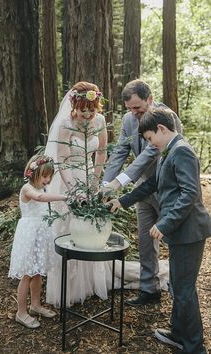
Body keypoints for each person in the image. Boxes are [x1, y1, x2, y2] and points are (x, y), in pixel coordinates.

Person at [107, 108, 211, 354]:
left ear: (162, 129)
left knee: (184, 290)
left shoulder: (182, 151)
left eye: (151, 139)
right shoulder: (169, 151)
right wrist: (123, 201)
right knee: (177, 284)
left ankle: (195, 347)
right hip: (181, 233)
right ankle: (177, 333)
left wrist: (164, 223)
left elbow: (190, 194)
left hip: (189, 233)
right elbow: (153, 183)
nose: (150, 144)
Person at [102, 79, 182, 306]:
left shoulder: (167, 118)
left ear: (150, 98)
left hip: (168, 189)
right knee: (146, 240)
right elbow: (119, 151)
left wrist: (120, 182)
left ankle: (179, 296)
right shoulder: (128, 120)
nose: (133, 113)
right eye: (129, 108)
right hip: (142, 191)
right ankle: (149, 289)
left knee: (174, 242)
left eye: (137, 107)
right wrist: (106, 184)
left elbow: (151, 152)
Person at [45, 81, 109, 307]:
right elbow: (61, 160)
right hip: (69, 180)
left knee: (90, 229)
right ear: (74, 106)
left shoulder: (100, 121)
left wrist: (94, 180)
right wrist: (74, 191)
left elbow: (101, 152)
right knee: (69, 229)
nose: (87, 114)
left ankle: (91, 283)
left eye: (91, 110)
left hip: (90, 178)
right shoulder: (65, 125)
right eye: (83, 110)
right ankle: (71, 288)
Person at [8, 154, 67, 328]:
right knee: (27, 274)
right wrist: (64, 197)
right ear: (33, 173)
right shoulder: (27, 189)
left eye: (50, 176)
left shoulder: (43, 189)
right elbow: (39, 199)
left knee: (38, 272)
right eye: (45, 176)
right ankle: (21, 312)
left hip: (41, 234)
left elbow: (44, 201)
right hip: (29, 235)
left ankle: (35, 305)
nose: (48, 180)